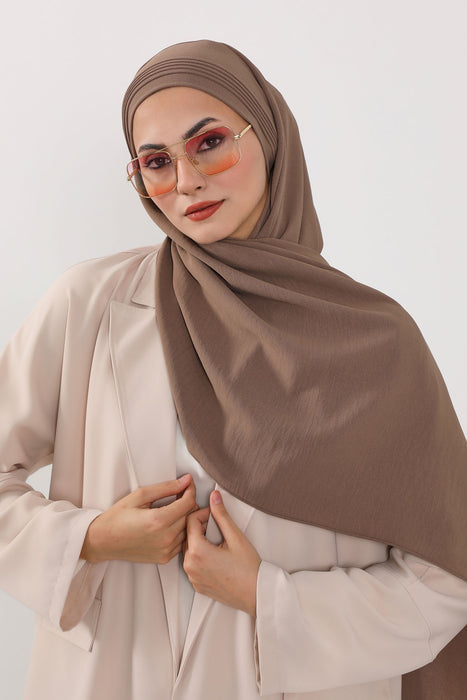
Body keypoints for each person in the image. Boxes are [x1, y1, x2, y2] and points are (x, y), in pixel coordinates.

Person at [0, 39, 466, 700]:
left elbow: (447, 581)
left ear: (268, 137)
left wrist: (266, 597)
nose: (185, 181)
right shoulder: (89, 306)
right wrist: (91, 538)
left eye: (210, 143)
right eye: (156, 162)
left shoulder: (378, 343)